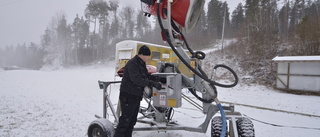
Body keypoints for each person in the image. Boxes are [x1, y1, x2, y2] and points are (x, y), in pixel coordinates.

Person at [114, 45, 162, 137]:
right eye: (147, 56)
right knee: (125, 120)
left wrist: (154, 78)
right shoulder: (132, 63)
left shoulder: (140, 63)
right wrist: (152, 83)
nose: (148, 58)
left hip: (135, 95)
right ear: (142, 55)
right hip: (128, 95)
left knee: (131, 121)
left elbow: (144, 76)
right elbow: (136, 79)